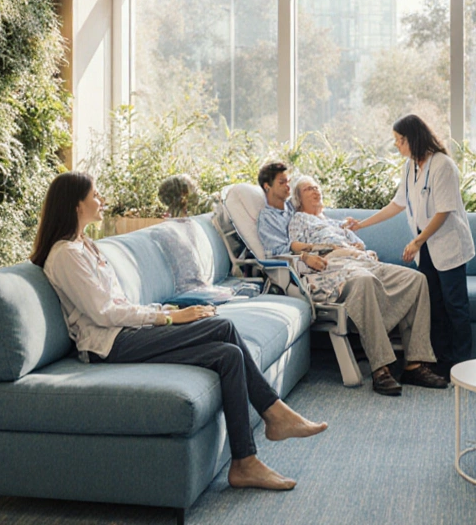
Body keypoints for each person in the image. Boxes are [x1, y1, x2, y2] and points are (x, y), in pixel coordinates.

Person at [33, 171, 327, 491]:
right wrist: (171, 319)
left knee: (228, 355)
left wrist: (164, 311)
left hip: (125, 333)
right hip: (110, 343)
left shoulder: (86, 246)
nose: (101, 200)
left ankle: (245, 463)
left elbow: (116, 303)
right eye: (95, 195)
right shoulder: (66, 255)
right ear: (76, 205)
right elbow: (105, 313)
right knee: (223, 326)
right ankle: (275, 414)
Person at [258, 167, 448, 396]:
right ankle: (381, 368)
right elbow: (294, 246)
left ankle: (415, 364)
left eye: (317, 187)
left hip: (363, 261)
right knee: (365, 282)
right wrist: (321, 251)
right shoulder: (299, 219)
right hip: (336, 267)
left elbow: (360, 244)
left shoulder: (335, 223)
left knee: (417, 279)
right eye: (309, 189)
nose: (316, 191)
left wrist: (354, 243)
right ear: (298, 200)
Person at [345, 115, 475, 374]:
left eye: (399, 140)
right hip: (426, 247)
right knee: (433, 305)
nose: (396, 145)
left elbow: (444, 211)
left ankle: (461, 365)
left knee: (454, 306)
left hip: (448, 245)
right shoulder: (410, 166)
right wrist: (362, 224)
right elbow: (397, 204)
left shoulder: (443, 166)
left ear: (412, 138)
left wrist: (416, 241)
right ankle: (438, 361)